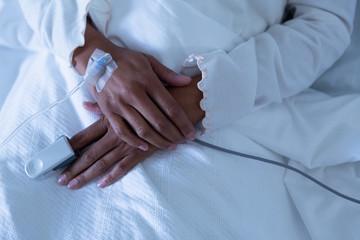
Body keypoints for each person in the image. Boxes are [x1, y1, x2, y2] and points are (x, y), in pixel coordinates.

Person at [17, 0, 357, 189]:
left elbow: (324, 23)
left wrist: (200, 97)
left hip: (219, 105)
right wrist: (90, 52)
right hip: (66, 51)